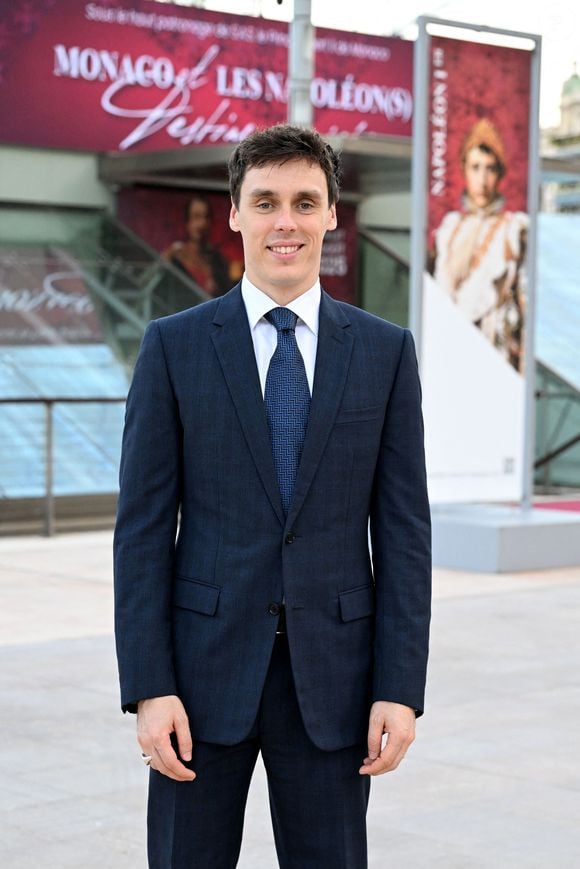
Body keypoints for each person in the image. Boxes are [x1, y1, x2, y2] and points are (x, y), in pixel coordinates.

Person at [114, 124, 431, 869]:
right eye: (265, 201)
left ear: (331, 213)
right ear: (234, 212)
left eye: (303, 201)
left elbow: (405, 532)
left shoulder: (386, 353)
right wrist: (149, 686)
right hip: (198, 684)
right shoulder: (174, 346)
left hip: (337, 686)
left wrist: (400, 687)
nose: (284, 221)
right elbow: (142, 533)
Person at [430, 118, 528, 372]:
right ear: (464, 169)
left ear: (500, 173)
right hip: (448, 350)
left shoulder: (514, 229)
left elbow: (526, 307)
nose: (483, 179)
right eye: (476, 167)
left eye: (490, 168)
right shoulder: (451, 228)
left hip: (492, 353)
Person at [161, 194, 231, 296]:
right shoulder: (174, 255)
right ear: (187, 221)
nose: (201, 224)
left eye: (206, 217)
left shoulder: (219, 260)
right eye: (196, 217)